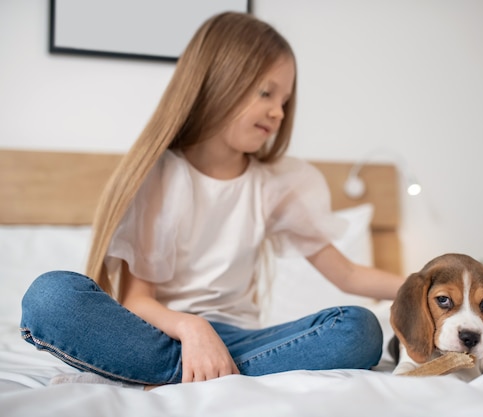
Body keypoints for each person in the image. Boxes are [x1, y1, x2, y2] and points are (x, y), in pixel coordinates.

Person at [20, 11, 405, 388]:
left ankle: (173, 374)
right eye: (266, 92)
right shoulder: (161, 176)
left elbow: (348, 274)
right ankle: (197, 370)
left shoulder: (275, 185)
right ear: (218, 81)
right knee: (50, 297)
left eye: (285, 100)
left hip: (241, 341)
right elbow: (137, 301)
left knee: (359, 328)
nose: (278, 111)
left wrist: (433, 290)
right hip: (161, 334)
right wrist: (192, 327)